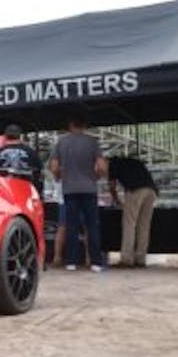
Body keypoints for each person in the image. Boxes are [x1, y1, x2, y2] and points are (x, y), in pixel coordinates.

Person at [48, 109, 107, 272]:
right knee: (92, 225)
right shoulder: (92, 142)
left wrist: (59, 176)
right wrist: (96, 176)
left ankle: (71, 262)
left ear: (70, 125)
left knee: (71, 225)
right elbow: (102, 166)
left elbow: (53, 166)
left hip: (69, 189)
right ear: (85, 125)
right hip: (89, 189)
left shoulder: (61, 142)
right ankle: (95, 262)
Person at [108, 155, 158, 268]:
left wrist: (117, 200)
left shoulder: (112, 165)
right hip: (151, 190)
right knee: (144, 226)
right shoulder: (132, 161)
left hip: (135, 189)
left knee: (129, 224)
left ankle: (126, 259)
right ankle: (141, 258)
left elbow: (112, 187)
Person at [0, 123, 44, 194]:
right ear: (20, 136)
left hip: (4, 193)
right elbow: (39, 173)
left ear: (5, 136)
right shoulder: (31, 152)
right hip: (25, 192)